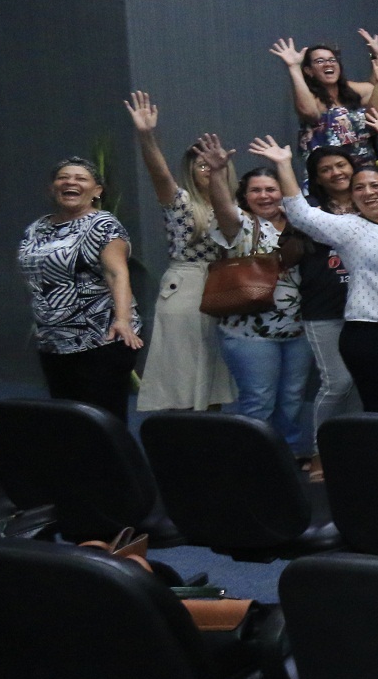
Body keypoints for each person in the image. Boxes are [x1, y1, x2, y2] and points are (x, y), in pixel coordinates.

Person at [257, 138, 378, 417]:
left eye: (375, 185)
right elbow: (301, 215)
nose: (368, 192)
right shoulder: (350, 227)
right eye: (359, 188)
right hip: (371, 332)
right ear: (352, 197)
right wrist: (283, 164)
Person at [196, 141, 313, 462]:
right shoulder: (241, 225)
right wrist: (217, 173)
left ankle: (288, 455)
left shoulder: (301, 223)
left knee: (292, 400)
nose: (265, 196)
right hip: (249, 333)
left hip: (299, 331)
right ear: (245, 196)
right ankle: (254, 463)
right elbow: (223, 208)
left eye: (271, 189)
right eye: (256, 190)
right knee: (259, 400)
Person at [123, 91, 236, 413]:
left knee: (214, 376)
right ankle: (179, 434)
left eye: (213, 165)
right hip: (185, 286)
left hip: (225, 288)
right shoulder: (181, 201)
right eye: (201, 165)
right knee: (181, 373)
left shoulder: (237, 207)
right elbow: (159, 174)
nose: (207, 170)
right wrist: (146, 136)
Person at [19, 157, 144, 418]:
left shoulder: (103, 225)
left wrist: (122, 320)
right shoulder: (36, 229)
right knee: (68, 421)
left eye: (80, 178)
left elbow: (117, 273)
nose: (70, 182)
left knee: (101, 421)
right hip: (53, 341)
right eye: (63, 177)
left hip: (100, 339)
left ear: (97, 191)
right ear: (52, 188)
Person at [296, 145, 361, 443]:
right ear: (317, 179)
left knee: (359, 382)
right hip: (324, 308)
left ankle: (351, 445)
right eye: (326, 169)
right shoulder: (309, 210)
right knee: (338, 382)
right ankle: (319, 448)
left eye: (340, 165)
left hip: (366, 309)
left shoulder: (370, 200)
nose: (336, 173)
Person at [270, 36, 378, 168]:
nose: (328, 64)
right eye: (320, 61)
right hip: (327, 171)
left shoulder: (353, 90)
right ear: (309, 71)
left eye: (332, 60)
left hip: (364, 169)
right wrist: (294, 67)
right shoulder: (310, 98)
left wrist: (376, 56)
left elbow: (375, 97)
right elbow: (310, 113)